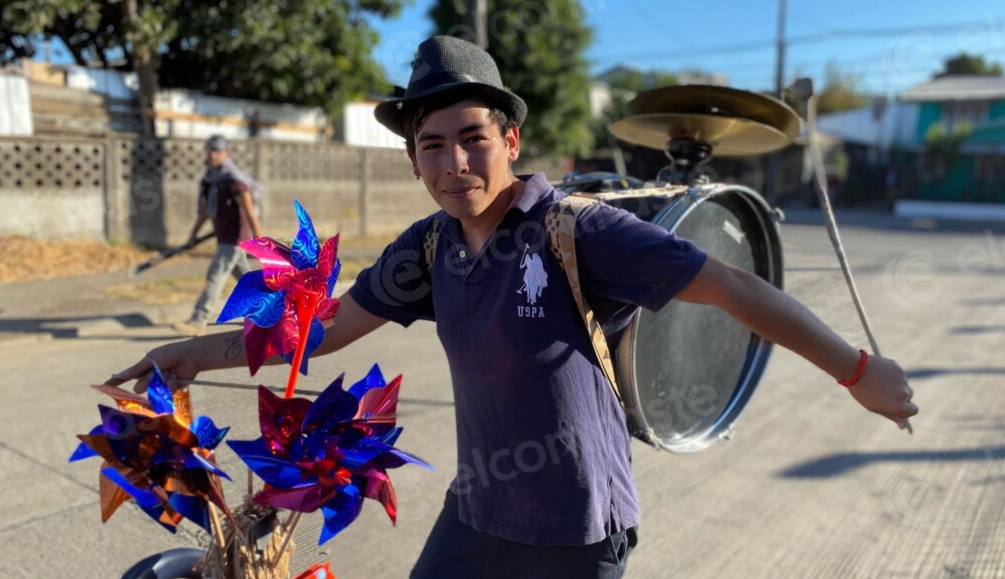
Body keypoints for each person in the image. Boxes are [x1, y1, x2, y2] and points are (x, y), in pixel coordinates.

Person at [109, 37, 917, 578]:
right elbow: (321, 330)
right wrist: (191, 352)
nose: (454, 162)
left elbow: (736, 286)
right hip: (479, 511)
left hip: (577, 530)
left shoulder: (577, 231)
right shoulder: (427, 248)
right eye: (432, 145)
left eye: (473, 138)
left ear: (511, 142)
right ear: (413, 159)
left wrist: (856, 371)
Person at [171, 135, 264, 337]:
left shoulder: (234, 181)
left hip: (235, 237)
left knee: (216, 275)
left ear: (226, 153)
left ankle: (198, 320)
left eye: (217, 151)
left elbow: (250, 212)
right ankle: (267, 312)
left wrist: (260, 243)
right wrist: (193, 235)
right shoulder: (209, 181)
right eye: (210, 150)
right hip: (224, 236)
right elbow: (205, 211)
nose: (212, 155)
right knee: (245, 278)